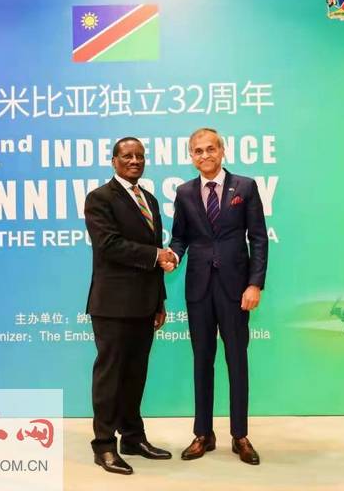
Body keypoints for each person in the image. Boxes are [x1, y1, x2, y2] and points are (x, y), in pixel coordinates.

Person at [168, 127, 268, 465]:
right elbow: (179, 237)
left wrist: (255, 284)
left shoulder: (245, 187)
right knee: (202, 360)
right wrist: (173, 256)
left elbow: (258, 238)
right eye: (198, 150)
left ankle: (240, 435)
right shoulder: (184, 192)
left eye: (210, 148)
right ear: (191, 156)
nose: (205, 155)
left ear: (222, 151)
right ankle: (203, 433)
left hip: (236, 289)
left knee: (237, 360)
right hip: (198, 289)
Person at [84, 137, 175, 475]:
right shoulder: (99, 198)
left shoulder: (149, 199)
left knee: (136, 375)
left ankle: (133, 438)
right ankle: (104, 445)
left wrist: (160, 300)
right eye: (127, 156)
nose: (135, 160)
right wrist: (156, 255)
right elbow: (109, 245)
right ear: (114, 161)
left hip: (144, 304)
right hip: (112, 305)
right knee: (110, 377)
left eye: (140, 156)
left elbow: (155, 254)